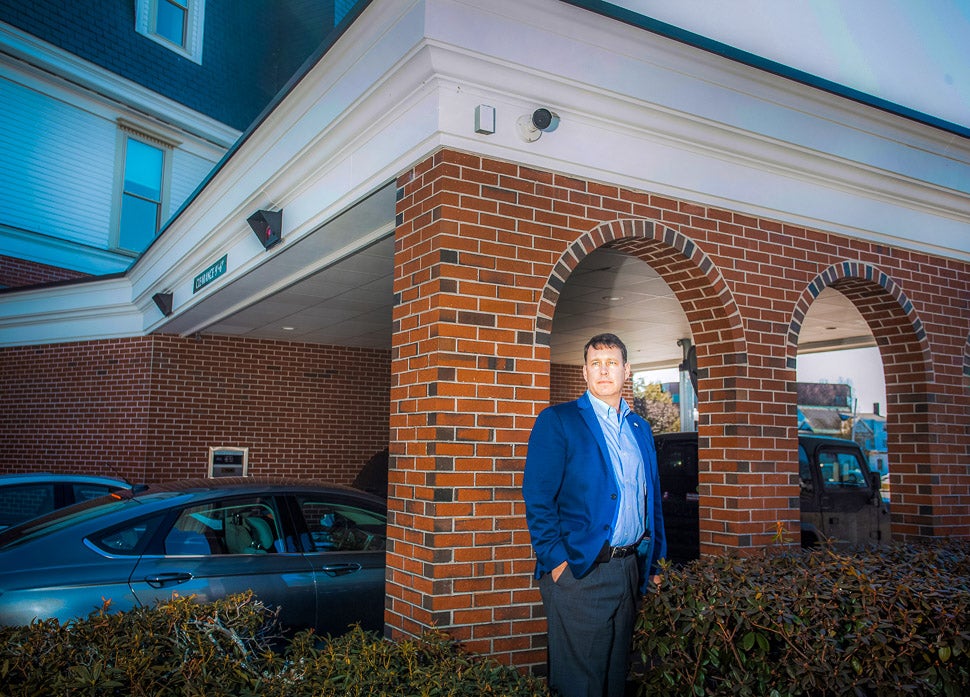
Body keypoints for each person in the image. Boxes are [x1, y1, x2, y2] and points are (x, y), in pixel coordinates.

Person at [523, 332, 666, 697]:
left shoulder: (640, 429)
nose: (604, 371)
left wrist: (654, 564)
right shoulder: (559, 421)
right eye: (596, 364)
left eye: (612, 363)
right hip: (580, 572)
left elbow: (651, 503)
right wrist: (557, 562)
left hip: (628, 570)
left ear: (626, 371)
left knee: (615, 680)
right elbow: (538, 497)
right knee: (580, 685)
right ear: (585, 372)